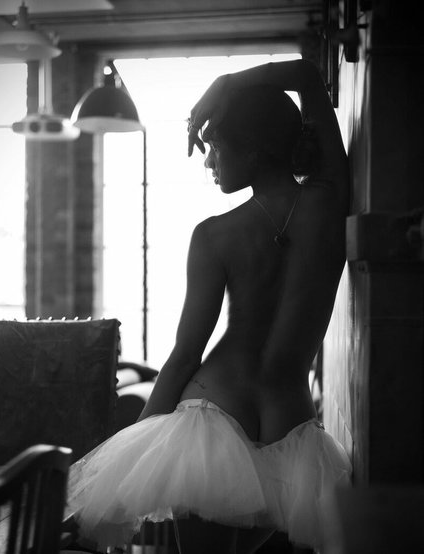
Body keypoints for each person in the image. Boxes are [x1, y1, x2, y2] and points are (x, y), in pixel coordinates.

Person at [69, 59, 351, 554]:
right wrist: (229, 85)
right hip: (292, 426)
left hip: (212, 418)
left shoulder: (215, 236)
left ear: (254, 151)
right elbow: (309, 76)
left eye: (216, 146)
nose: (208, 162)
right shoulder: (330, 203)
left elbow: (185, 356)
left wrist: (132, 452)